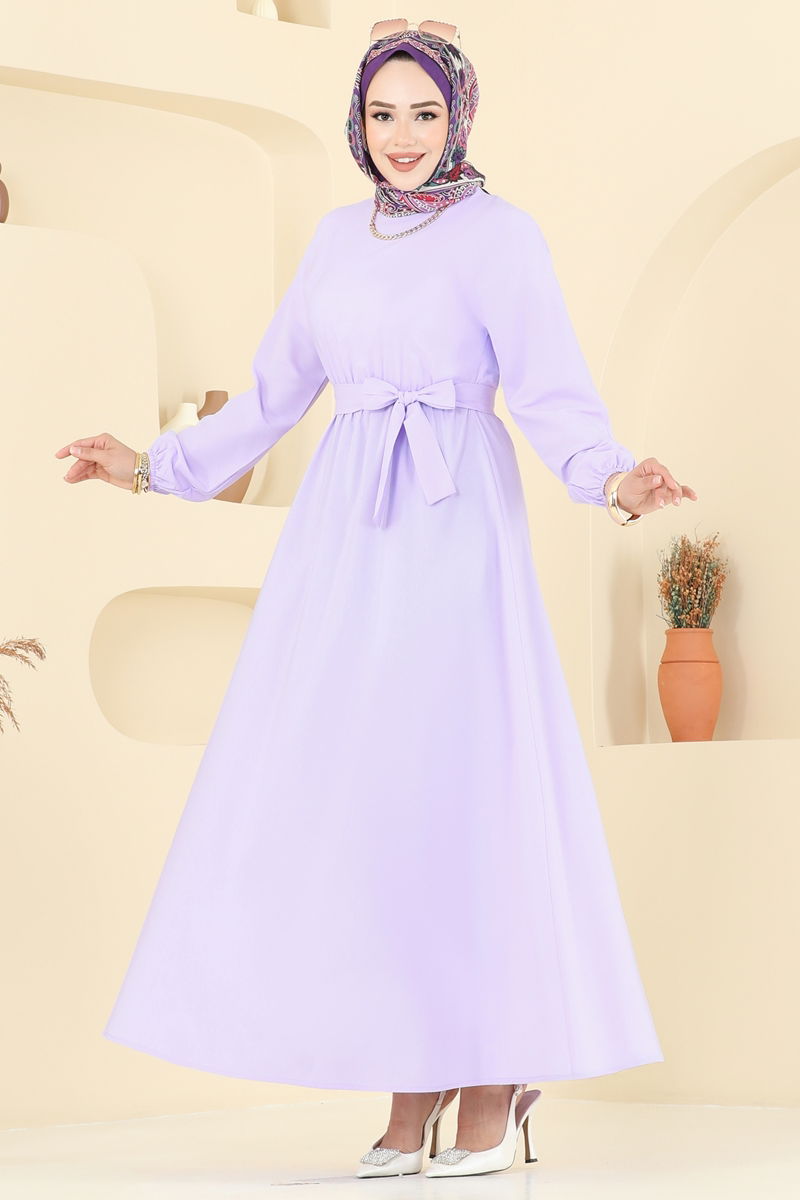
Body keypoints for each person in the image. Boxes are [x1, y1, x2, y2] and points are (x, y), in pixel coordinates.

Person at [54, 19, 695, 1181]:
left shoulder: (501, 236)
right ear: (358, 121)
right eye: (382, 113)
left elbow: (549, 393)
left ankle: (492, 1069)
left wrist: (613, 478)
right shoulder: (334, 241)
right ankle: (414, 1075)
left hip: (456, 527)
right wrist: (150, 465)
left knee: (462, 788)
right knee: (373, 800)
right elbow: (270, 396)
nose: (402, 136)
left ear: (460, 118)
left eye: (425, 113)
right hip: (344, 537)